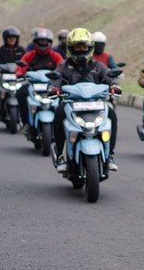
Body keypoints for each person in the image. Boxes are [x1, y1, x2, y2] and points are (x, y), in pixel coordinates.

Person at [51, 28, 121, 173]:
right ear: (70, 48)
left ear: (90, 47)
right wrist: (54, 88)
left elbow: (108, 76)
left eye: (84, 46)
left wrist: (114, 86)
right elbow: (56, 79)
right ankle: (60, 155)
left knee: (112, 114)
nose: (81, 50)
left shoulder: (98, 65)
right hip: (71, 103)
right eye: (77, 47)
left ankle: (110, 155)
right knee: (58, 113)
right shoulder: (63, 66)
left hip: (96, 104)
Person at [15, 28, 63, 132]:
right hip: (33, 84)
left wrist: (63, 77)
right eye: (40, 41)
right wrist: (19, 73)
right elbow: (21, 67)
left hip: (51, 85)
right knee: (20, 93)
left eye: (45, 41)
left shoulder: (55, 56)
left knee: (63, 98)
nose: (43, 43)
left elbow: (62, 67)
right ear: (35, 42)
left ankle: (60, 125)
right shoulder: (29, 55)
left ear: (50, 42)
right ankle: (26, 122)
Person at [0, 26, 26, 115]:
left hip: (18, 75)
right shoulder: (0, 50)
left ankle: (26, 105)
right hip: (3, 75)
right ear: (5, 39)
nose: (12, 40)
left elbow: (27, 61)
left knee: (27, 85)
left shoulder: (22, 50)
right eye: (10, 38)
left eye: (14, 38)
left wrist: (27, 68)